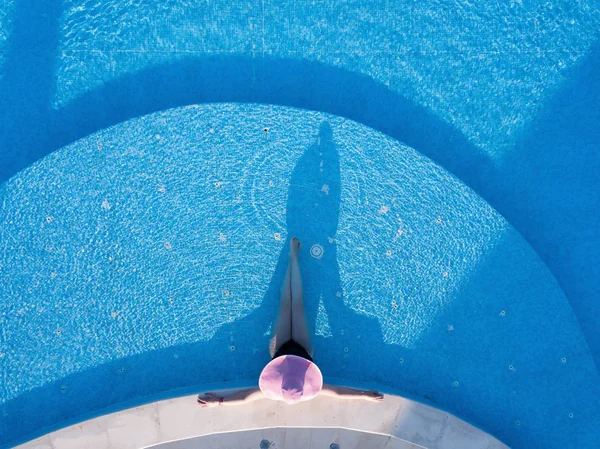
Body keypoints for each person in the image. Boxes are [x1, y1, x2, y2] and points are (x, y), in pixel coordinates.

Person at [197, 237, 384, 407]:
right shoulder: (282, 390)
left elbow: (245, 396)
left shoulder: (279, 390)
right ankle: (293, 257)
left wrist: (218, 402)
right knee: (294, 304)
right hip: (300, 350)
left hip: (281, 350)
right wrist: (364, 395)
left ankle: (292, 257)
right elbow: (337, 392)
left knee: (289, 302)